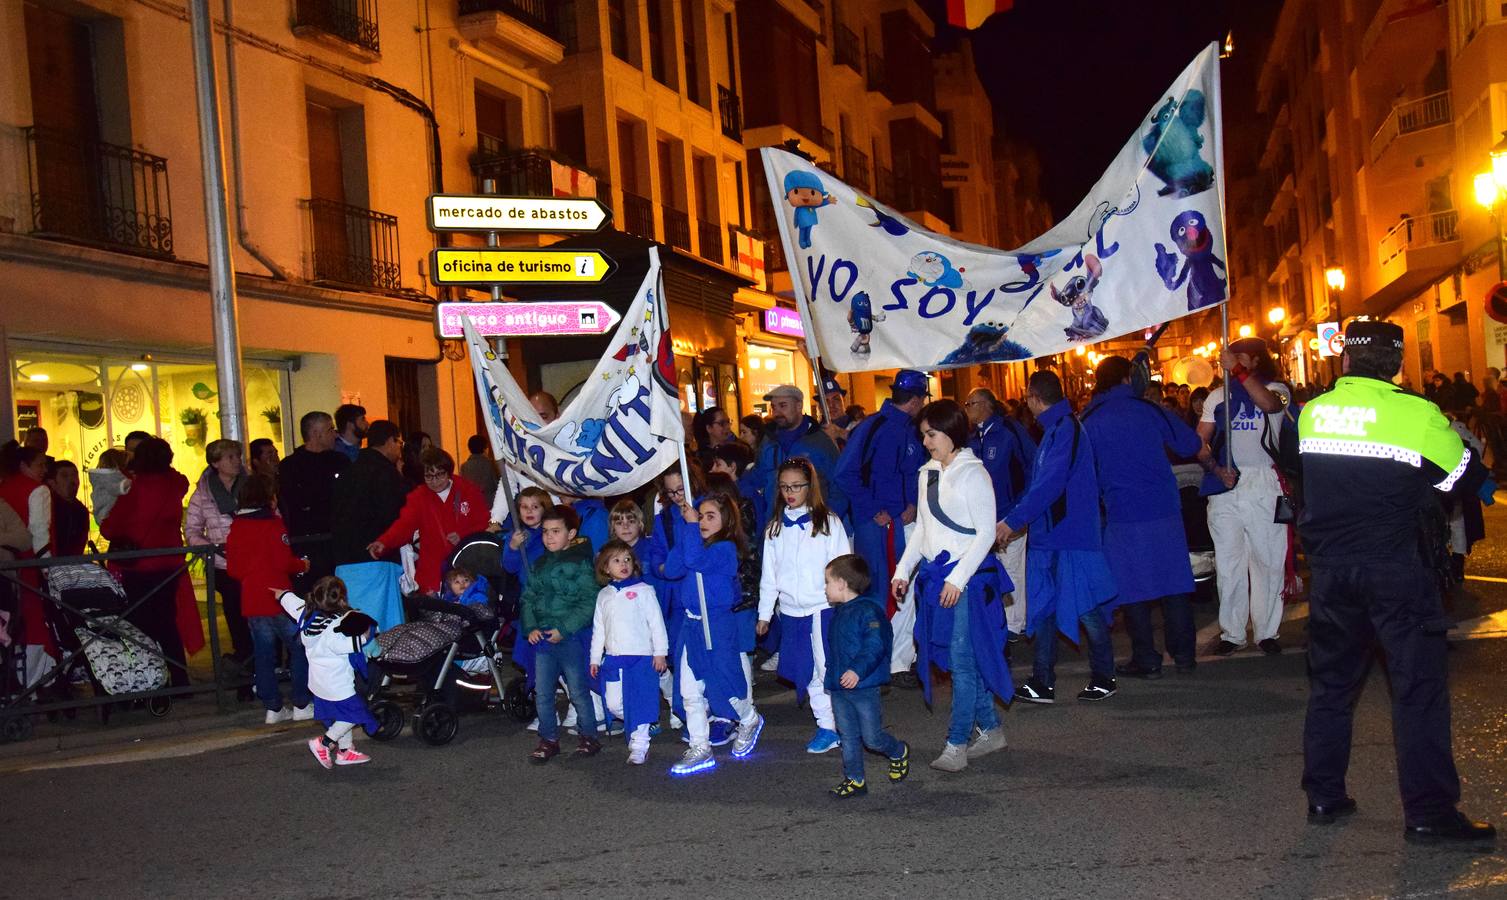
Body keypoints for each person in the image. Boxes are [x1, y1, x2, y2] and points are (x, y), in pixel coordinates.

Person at [1297, 319, 1496, 845]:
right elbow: (1459, 479)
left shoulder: (1314, 413)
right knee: (1418, 689)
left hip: (1333, 570)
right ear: (1399, 364)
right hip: (1395, 569)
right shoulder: (1415, 413)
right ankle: (1429, 814)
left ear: (1344, 363)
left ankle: (1324, 794)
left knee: (1333, 685)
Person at [890, 398, 1011, 773]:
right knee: (959, 660)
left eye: (932, 434)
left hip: (967, 580)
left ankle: (957, 742)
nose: (926, 442)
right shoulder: (927, 473)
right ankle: (990, 728)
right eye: (924, 435)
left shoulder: (974, 473)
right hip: (934, 577)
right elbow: (923, 528)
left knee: (960, 661)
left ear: (952, 432)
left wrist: (958, 579)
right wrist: (902, 570)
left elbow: (986, 533)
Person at [1081, 356, 1204, 678]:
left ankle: (1146, 659)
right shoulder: (1150, 410)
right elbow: (1190, 443)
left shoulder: (1090, 418)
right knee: (1174, 584)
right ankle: (1184, 655)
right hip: (1164, 508)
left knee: (1132, 589)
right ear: (1126, 379)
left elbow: (1082, 469)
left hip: (1122, 512)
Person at [1004, 372, 1118, 705]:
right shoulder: (1059, 429)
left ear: (1033, 397)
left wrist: (1013, 521)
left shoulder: (1063, 430)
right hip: (1058, 535)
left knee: (1083, 608)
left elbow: (1050, 484)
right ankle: (1044, 681)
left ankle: (1102, 676)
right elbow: (1045, 485)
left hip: (1065, 536)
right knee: (1048, 608)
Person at [1198, 337, 1293, 656]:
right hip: (1226, 484)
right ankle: (1232, 632)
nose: (1229, 362)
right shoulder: (1216, 397)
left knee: (1267, 559)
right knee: (1229, 563)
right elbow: (1200, 441)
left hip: (1263, 480)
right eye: (1230, 358)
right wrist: (1214, 467)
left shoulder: (1278, 388)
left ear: (1254, 361)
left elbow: (1269, 405)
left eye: (1239, 358)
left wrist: (1237, 371)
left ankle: (1267, 631)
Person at [835, 370, 926, 685]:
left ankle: (898, 661)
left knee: (903, 591)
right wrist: (874, 510)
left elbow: (913, 475)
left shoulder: (909, 430)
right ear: (915, 400)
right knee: (882, 594)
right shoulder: (872, 427)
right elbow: (844, 473)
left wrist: (912, 503)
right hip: (878, 528)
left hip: (903, 524)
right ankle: (879, 664)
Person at [664, 491, 764, 774]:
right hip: (691, 624)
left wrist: (691, 528)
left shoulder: (725, 549)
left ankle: (748, 718)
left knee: (725, 682)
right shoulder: (693, 541)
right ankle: (700, 745)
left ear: (727, 521)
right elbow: (672, 569)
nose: (703, 521)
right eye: (701, 515)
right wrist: (687, 533)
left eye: (710, 517)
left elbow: (697, 562)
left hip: (717, 623)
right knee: (689, 689)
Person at [758, 458, 851, 753]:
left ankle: (845, 723)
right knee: (807, 670)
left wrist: (844, 603)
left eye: (796, 486)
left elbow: (843, 566)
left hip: (822, 608)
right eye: (784, 487)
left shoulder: (828, 523)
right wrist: (764, 614)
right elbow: (769, 576)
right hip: (791, 611)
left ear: (810, 487)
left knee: (828, 669)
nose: (790, 492)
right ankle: (826, 726)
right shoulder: (774, 529)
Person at [99, 437, 203, 687]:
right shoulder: (174, 485)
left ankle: (150, 677)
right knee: (167, 620)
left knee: (141, 624)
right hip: (170, 563)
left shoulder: (135, 489)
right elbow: (180, 478)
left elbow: (110, 529)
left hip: (140, 564)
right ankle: (179, 677)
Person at [226, 473, 312, 725]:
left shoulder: (237, 527)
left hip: (252, 599)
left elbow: (233, 570)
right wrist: (302, 565)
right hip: (278, 597)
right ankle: (301, 702)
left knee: (263, 655)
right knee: (299, 646)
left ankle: (272, 707)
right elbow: (284, 561)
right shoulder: (273, 524)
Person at [824, 553, 909, 798]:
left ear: (842, 583)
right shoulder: (839, 612)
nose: (826, 588)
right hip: (840, 688)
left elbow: (875, 645)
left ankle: (898, 751)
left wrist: (856, 671)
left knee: (872, 739)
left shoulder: (869, 611)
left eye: (828, 582)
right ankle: (855, 779)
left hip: (863, 687)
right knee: (848, 736)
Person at [521, 505, 602, 763]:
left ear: (572, 533)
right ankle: (549, 738)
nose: (549, 537)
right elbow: (528, 597)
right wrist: (531, 626)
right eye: (545, 532)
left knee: (578, 690)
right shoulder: (541, 564)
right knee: (543, 691)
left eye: (556, 531)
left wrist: (564, 629)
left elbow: (589, 602)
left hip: (571, 637)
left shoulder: (580, 564)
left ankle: (588, 735)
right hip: (544, 637)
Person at [279, 576, 377, 768]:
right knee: (354, 714)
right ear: (341, 599)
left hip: (318, 683)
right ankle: (324, 742)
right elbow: (338, 645)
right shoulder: (336, 624)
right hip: (338, 683)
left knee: (340, 714)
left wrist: (282, 594)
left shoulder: (306, 616)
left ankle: (345, 751)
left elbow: (292, 603)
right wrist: (364, 639)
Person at [589, 540, 669, 765]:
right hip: (614, 658)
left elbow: (656, 623)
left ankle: (639, 744)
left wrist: (660, 652)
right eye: (616, 560)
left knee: (641, 700)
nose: (623, 564)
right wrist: (595, 658)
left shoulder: (644, 590)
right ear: (605, 567)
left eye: (627, 559)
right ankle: (641, 721)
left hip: (642, 657)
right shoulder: (603, 595)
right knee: (614, 704)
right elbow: (599, 629)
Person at [965, 387, 1036, 640]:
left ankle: (1015, 624)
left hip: (1010, 512)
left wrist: (1021, 507)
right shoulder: (974, 438)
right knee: (992, 569)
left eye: (970, 403)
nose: (967, 408)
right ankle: (999, 621)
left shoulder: (1008, 431)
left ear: (986, 405)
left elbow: (1031, 465)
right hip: (985, 518)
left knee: (1012, 566)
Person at [369, 447, 489, 595]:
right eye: (429, 476)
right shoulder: (418, 497)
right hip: (433, 572)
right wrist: (384, 542)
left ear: (449, 472)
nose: (435, 481)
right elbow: (403, 525)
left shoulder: (468, 491)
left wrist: (463, 535)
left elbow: (483, 523)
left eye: (440, 474)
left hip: (466, 568)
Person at [329, 421, 408, 637]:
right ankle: (382, 667)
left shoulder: (349, 471)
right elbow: (396, 516)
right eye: (399, 442)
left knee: (352, 619)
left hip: (345, 559)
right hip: (377, 556)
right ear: (390, 441)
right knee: (381, 622)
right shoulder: (385, 473)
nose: (399, 448)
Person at [186, 439, 250, 664]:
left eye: (237, 456)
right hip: (225, 566)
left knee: (261, 618)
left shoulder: (253, 487)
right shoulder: (203, 494)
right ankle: (245, 661)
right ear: (215, 463)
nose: (236, 461)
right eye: (230, 457)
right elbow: (192, 530)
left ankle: (262, 664)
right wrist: (214, 549)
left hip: (254, 563)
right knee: (236, 617)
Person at [748, 384, 841, 522]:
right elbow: (758, 477)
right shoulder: (769, 441)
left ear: (799, 406)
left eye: (783, 405)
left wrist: (827, 519)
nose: (777, 412)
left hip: (813, 524)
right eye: (774, 407)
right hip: (776, 523)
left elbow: (838, 485)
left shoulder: (820, 442)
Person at [278, 411, 349, 584]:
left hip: (336, 542)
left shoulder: (340, 461)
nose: (335, 434)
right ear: (316, 434)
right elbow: (293, 501)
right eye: (330, 429)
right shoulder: (291, 466)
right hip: (304, 542)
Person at [44, 460, 89, 557]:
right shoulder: (46, 508)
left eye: (74, 475)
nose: (72, 480)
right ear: (52, 482)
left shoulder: (81, 511)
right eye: (64, 476)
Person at [88, 448, 132, 526]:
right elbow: (114, 488)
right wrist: (127, 483)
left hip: (103, 515)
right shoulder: (110, 477)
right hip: (107, 515)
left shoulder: (100, 477)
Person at [459, 435, 500, 506]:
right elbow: (498, 484)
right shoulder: (491, 465)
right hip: (490, 503)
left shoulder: (464, 467)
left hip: (472, 503)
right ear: (485, 449)